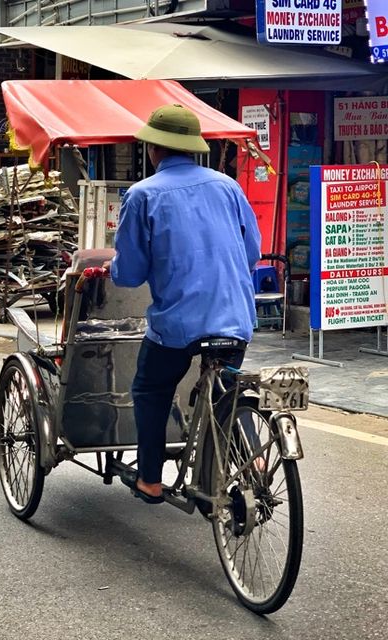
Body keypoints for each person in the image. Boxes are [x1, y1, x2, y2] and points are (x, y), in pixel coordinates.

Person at [108, 104, 261, 504]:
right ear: (193, 148)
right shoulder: (229, 186)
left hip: (177, 325)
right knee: (227, 388)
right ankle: (254, 462)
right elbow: (252, 252)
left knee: (151, 389)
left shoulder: (142, 195)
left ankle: (151, 480)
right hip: (234, 318)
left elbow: (128, 275)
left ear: (154, 149)